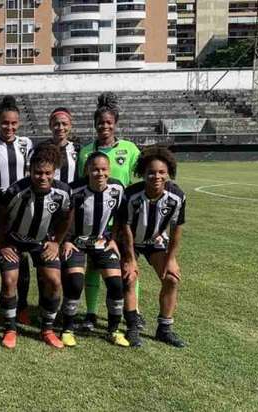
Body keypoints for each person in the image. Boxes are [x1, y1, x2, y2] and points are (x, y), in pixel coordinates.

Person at [76, 93, 143, 333]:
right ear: (95, 125)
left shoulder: (129, 149)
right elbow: (79, 186)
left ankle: (133, 313)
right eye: (100, 123)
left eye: (109, 122)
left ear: (115, 123)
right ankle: (91, 314)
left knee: (127, 265)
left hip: (122, 220)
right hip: (94, 221)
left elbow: (145, 175)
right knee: (94, 267)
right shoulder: (85, 152)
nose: (105, 126)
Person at [0, 142, 71, 349]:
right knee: (10, 279)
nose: (43, 177)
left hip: (41, 241)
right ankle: (10, 328)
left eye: (48, 173)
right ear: (30, 170)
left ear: (54, 171)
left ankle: (47, 329)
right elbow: (0, 218)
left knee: (54, 281)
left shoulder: (63, 192)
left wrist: (56, 242)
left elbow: (66, 217)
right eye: (38, 173)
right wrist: (3, 244)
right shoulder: (16, 191)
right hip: (14, 240)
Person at [118, 146, 187, 348]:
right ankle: (132, 327)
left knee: (172, 279)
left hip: (155, 243)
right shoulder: (131, 195)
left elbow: (176, 230)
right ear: (143, 173)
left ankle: (164, 329)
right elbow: (126, 228)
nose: (156, 176)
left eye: (161, 172)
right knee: (129, 277)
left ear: (168, 173)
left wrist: (171, 258)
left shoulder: (177, 197)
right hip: (131, 242)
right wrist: (130, 259)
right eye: (151, 172)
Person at [60, 151, 129, 347]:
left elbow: (121, 216)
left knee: (116, 284)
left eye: (104, 169)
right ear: (87, 170)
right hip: (77, 242)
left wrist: (114, 239)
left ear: (109, 170)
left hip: (102, 242)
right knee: (75, 282)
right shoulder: (75, 190)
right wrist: (66, 240)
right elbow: (64, 218)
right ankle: (67, 328)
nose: (100, 173)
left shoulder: (117, 188)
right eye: (95, 169)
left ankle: (113, 330)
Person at [0, 96, 36, 326]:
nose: (9, 127)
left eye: (13, 123)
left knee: (20, 257)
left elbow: (31, 173)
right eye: (5, 123)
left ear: (19, 123)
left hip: (21, 209)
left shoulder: (26, 144)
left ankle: (21, 306)